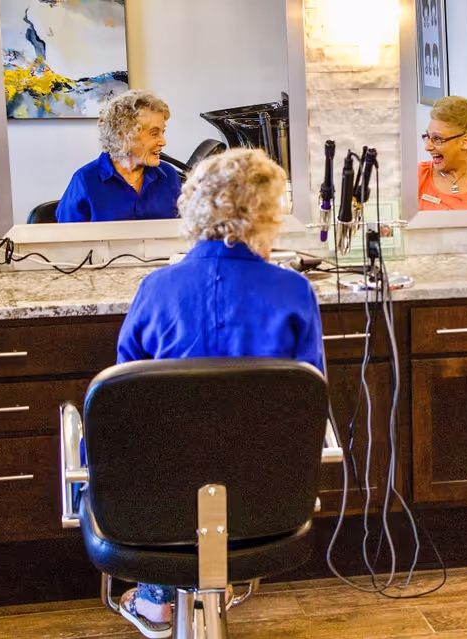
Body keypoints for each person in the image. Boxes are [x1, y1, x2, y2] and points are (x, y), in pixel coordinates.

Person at [115, 149, 324, 637]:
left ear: (194, 206)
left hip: (156, 503)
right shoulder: (294, 292)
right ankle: (215, 581)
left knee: (159, 453)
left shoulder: (156, 289)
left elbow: (125, 405)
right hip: (267, 498)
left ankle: (156, 597)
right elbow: (310, 402)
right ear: (268, 214)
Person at [56, 90, 181, 223]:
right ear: (124, 135)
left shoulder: (169, 176)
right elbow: (66, 240)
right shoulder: (85, 181)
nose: (163, 142)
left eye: (163, 132)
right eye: (154, 134)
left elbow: (187, 233)